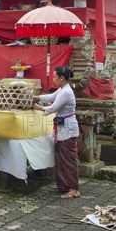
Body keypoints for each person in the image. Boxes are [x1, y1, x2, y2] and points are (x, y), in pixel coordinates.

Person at [32, 66, 81, 199]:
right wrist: (35, 97)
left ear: (61, 78)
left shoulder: (66, 92)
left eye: (55, 77)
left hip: (67, 128)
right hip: (61, 126)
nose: (53, 79)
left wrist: (39, 107)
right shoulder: (62, 89)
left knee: (68, 159)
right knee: (60, 158)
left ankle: (74, 189)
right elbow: (51, 96)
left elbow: (53, 107)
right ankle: (64, 185)